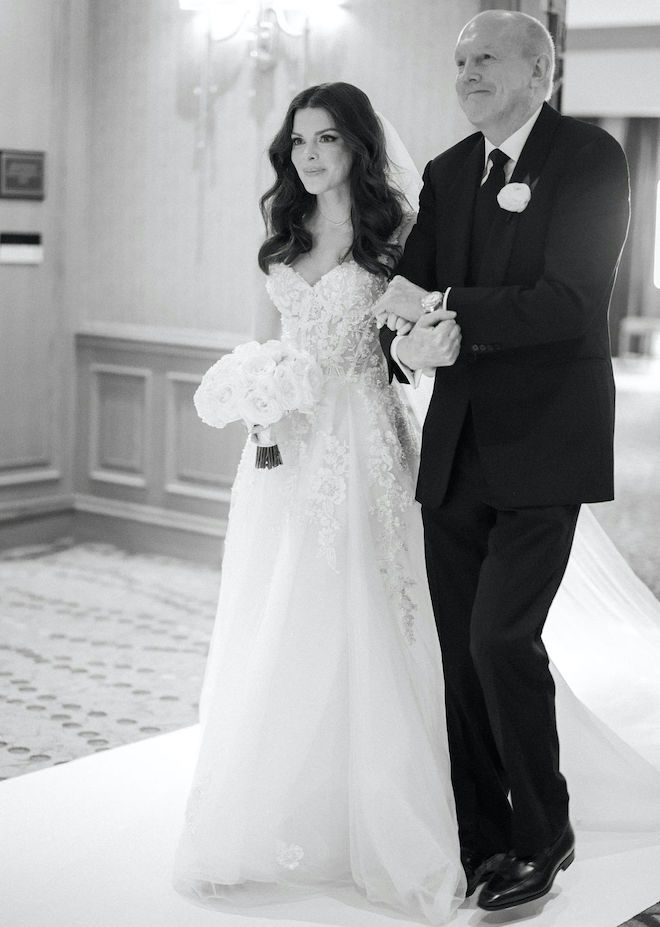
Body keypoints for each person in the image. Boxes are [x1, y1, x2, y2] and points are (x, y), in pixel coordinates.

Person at [173, 81, 466, 925]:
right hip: (286, 447)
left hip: (364, 436)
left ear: (357, 148)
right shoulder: (282, 238)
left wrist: (418, 349)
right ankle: (284, 804)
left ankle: (391, 814)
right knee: (285, 608)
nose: (309, 153)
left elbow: (413, 347)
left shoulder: (394, 236)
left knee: (372, 607)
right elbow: (262, 344)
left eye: (327, 138)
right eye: (299, 139)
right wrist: (256, 394)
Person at [375, 8, 632, 912]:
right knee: (459, 652)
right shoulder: (449, 172)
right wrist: (412, 334)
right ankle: (482, 838)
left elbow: (568, 301)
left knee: (500, 637)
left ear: (540, 70)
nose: (467, 72)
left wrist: (448, 309)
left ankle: (545, 832)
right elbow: (404, 295)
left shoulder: (590, 158)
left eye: (486, 58)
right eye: (459, 61)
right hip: (455, 450)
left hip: (546, 444)